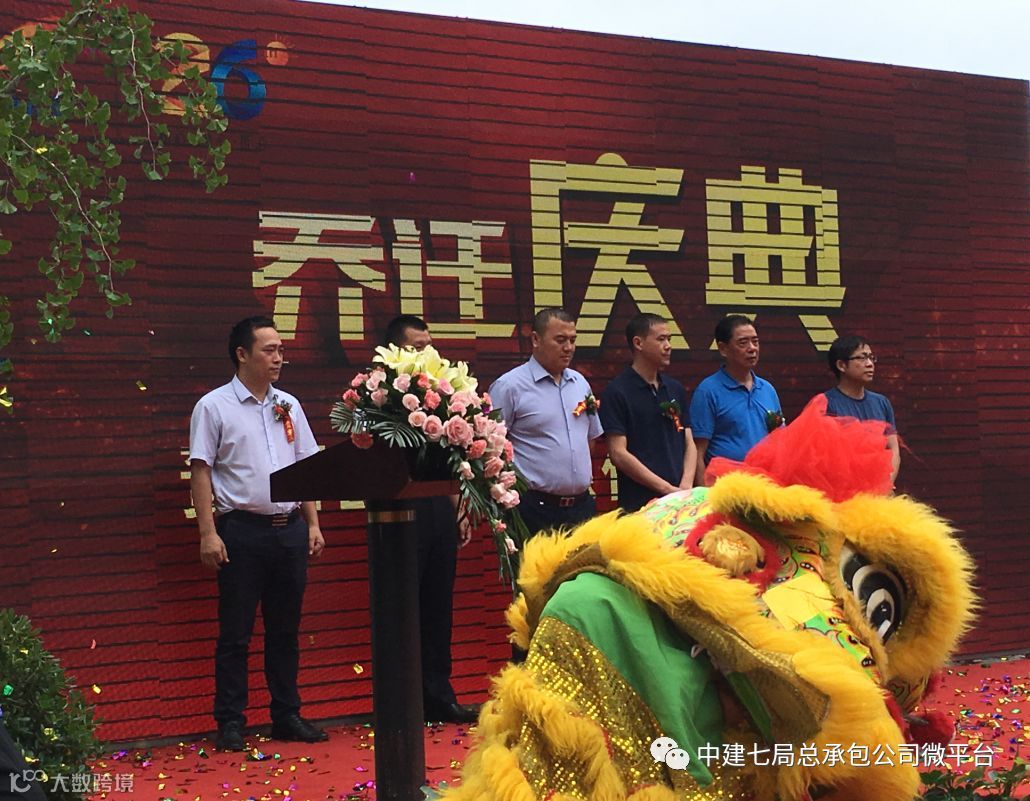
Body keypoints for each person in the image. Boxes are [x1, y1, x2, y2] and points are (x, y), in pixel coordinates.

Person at [189, 316, 328, 752]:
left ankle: (287, 715)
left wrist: (313, 524)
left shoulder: (289, 404)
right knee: (236, 633)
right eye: (269, 350)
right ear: (242, 354)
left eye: (281, 350)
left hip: (288, 531)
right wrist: (208, 533)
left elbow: (305, 467)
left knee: (285, 632)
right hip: (242, 531)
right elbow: (201, 470)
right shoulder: (213, 406)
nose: (279, 358)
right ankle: (231, 721)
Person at [383, 315, 477, 724]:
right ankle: (400, 699)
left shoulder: (441, 394)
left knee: (439, 604)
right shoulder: (380, 395)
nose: (428, 353)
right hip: (397, 510)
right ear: (396, 351)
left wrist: (458, 507)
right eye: (418, 347)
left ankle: (439, 694)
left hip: (438, 505)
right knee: (402, 606)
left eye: (429, 345)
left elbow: (449, 458)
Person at [489, 308, 603, 536]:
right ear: (535, 339)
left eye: (572, 340)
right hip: (534, 508)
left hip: (581, 507)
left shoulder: (580, 383)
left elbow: (590, 439)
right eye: (560, 340)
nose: (568, 347)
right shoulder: (509, 386)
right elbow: (491, 448)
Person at [599, 313, 697, 512]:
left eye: (669, 339)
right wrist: (666, 489)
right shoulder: (618, 391)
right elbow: (618, 453)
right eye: (661, 339)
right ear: (638, 343)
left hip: (679, 501)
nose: (668, 346)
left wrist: (685, 486)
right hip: (640, 504)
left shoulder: (674, 388)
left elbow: (689, 442)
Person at [689, 314, 782, 484]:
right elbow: (697, 452)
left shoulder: (767, 389)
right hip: (724, 488)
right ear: (723, 349)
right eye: (743, 343)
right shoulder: (708, 391)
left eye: (755, 341)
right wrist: (703, 494)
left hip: (765, 485)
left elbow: (780, 439)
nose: (752, 348)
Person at [823, 334, 901, 484]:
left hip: (880, 489)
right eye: (862, 358)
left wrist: (887, 483)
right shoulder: (825, 404)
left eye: (871, 358)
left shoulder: (882, 402)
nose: (870, 364)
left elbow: (893, 448)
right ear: (841, 365)